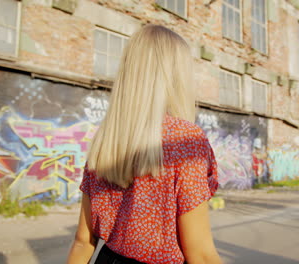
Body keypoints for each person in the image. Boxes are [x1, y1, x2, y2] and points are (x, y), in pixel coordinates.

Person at [66, 24, 222, 264]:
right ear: (178, 77)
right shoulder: (185, 139)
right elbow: (200, 255)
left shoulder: (107, 140)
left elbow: (82, 241)